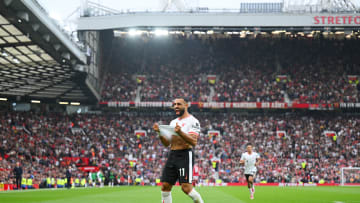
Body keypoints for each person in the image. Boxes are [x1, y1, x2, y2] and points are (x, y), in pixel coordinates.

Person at [153, 98, 204, 203]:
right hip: (172, 155)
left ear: (186, 105)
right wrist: (160, 133)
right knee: (165, 187)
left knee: (186, 188)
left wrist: (180, 132)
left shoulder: (193, 121)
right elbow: (167, 143)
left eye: (179, 104)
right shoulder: (173, 122)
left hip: (184, 155)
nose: (176, 106)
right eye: (174, 104)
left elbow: (193, 142)